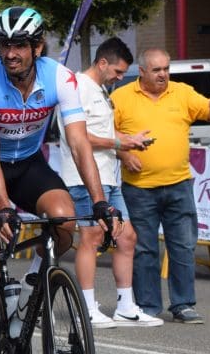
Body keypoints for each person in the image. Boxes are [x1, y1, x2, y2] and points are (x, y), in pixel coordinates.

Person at [0, 6, 114, 354]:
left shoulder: (59, 78)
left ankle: (31, 283)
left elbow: (79, 142)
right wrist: (3, 207)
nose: (11, 53)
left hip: (28, 164)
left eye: (20, 45)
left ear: (37, 46)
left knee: (65, 220)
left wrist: (99, 201)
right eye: (5, 45)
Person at [111, 47, 210, 324]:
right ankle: (148, 306)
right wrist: (124, 152)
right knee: (144, 249)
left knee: (183, 246)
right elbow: (104, 131)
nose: (163, 74)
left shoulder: (182, 92)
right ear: (141, 72)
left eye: (166, 68)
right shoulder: (122, 97)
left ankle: (184, 304)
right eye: (157, 70)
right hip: (139, 188)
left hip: (178, 185)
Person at [51, 37, 161, 327]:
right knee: (91, 238)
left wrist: (123, 146)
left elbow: (101, 133)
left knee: (127, 237)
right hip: (83, 179)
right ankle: (85, 307)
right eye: (118, 71)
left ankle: (126, 305)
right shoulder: (76, 88)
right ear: (102, 63)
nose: (120, 78)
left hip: (109, 179)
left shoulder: (99, 89)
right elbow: (76, 136)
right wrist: (119, 142)